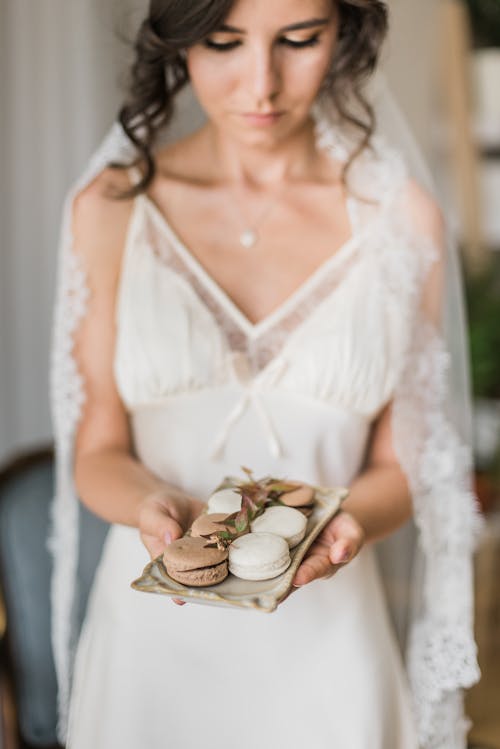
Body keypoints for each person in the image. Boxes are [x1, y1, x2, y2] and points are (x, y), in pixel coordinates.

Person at [49, 0, 482, 747]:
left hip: (331, 655)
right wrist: (155, 504)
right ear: (180, 39)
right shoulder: (112, 209)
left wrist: (344, 527)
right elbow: (95, 448)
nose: (261, 83)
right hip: (153, 652)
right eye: (223, 41)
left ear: (343, 32)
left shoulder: (401, 220)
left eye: (299, 40)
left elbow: (409, 458)